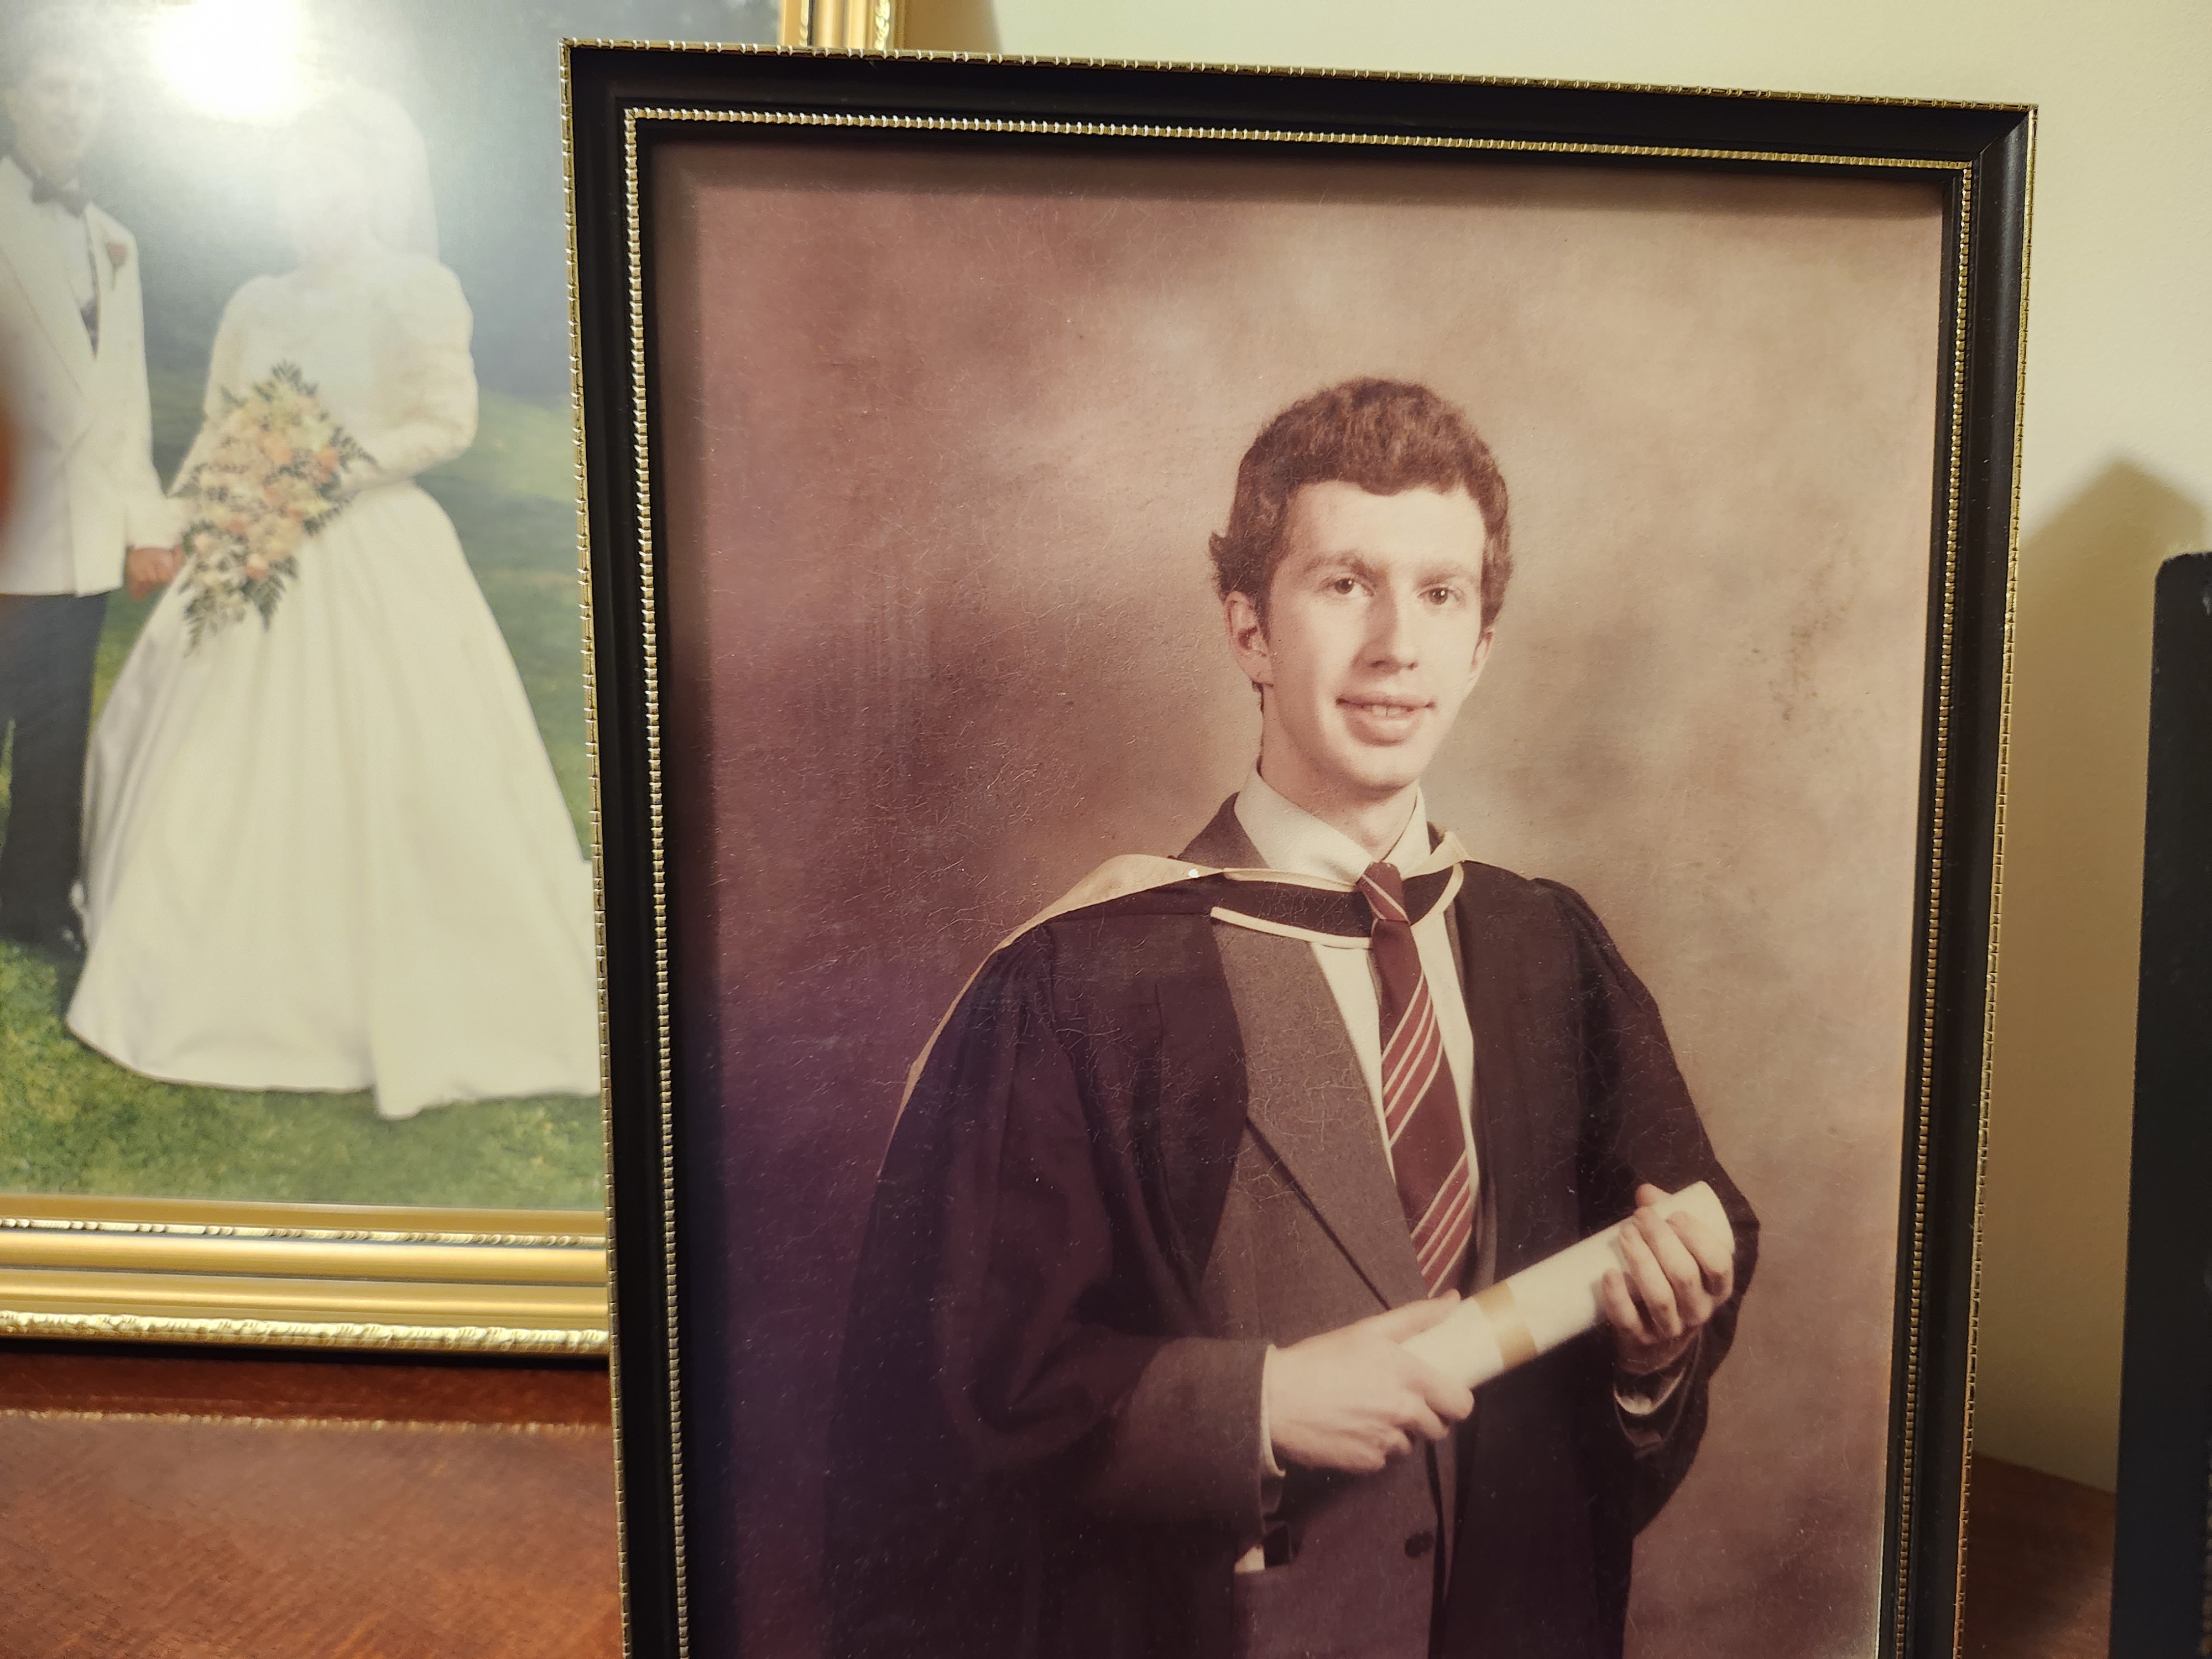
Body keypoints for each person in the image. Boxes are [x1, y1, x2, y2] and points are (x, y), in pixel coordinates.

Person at [823, 379, 1759, 1659]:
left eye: (1441, 595)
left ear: (1481, 644)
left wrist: (1654, 1357)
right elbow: (949, 1400)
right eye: (1343, 584)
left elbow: (1649, 1338)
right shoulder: (1081, 981)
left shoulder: (1551, 952)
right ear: (1248, 630)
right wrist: (1256, 1405)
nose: (1395, 645)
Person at [65, 88, 598, 1119]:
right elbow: (221, 424)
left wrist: (323, 469)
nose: (309, 196)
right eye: (294, 177)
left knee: (387, 755)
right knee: (197, 745)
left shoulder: (416, 288)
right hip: (250, 541)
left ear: (373, 185)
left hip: (370, 547)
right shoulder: (256, 300)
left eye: (330, 176)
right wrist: (177, 520)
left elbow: (447, 421)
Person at [0, 12, 179, 960]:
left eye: (89, 92)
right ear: (13, 99)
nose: (72, 108)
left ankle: (34, 904)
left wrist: (146, 524)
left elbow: (124, 399)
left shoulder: (116, 241)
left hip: (80, 530)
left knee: (57, 723)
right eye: (54, 88)